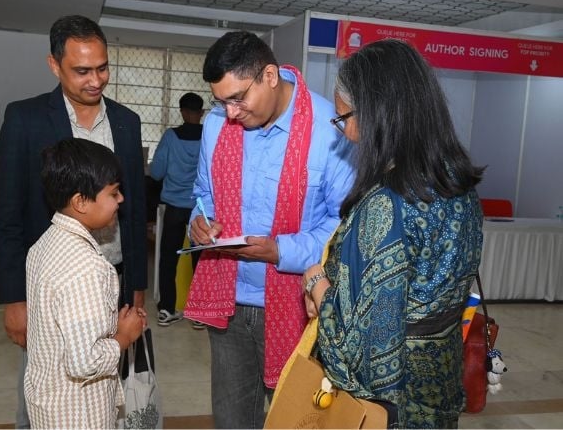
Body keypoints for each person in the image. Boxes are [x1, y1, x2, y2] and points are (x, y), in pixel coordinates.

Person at [302, 39, 485, 428]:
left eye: (343, 118)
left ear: (377, 114)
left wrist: (316, 282)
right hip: (439, 379)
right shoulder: (458, 185)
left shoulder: (387, 205)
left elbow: (363, 350)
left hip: (391, 405)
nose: (346, 133)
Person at [184, 31, 355, 428]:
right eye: (221, 100)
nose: (230, 112)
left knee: (295, 419)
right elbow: (202, 194)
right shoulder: (215, 126)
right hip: (229, 302)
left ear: (270, 76)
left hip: (301, 305)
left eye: (239, 97)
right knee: (231, 420)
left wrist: (281, 251)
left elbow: (343, 225)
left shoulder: (329, 131)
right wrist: (201, 221)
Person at [0, 15, 147, 428]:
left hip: (112, 277)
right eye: (82, 70)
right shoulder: (25, 119)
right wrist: (13, 300)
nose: (95, 80)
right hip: (53, 287)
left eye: (102, 67)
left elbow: (133, 209)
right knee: (48, 387)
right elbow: (7, 214)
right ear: (54, 65)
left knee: (108, 386)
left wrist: (137, 287)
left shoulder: (126, 122)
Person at [24, 139, 146, 428]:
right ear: (80, 201)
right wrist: (123, 337)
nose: (121, 200)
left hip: (49, 404)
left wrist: (107, 322)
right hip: (79, 413)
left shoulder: (44, 245)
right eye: (113, 193)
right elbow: (84, 362)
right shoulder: (85, 267)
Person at [149, 92, 204, 328]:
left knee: (168, 259)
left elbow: (156, 173)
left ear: (181, 111)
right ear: (201, 113)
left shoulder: (171, 137)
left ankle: (166, 309)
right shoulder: (209, 137)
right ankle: (201, 314)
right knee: (201, 262)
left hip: (173, 207)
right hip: (200, 210)